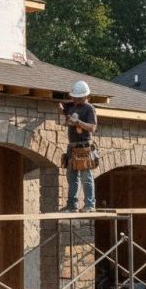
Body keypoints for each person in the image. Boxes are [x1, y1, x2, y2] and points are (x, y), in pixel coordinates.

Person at [58, 80, 97, 212]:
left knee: (86, 176)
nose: (74, 99)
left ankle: (90, 205)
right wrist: (62, 110)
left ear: (84, 97)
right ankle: (72, 205)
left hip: (84, 147)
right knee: (71, 177)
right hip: (72, 147)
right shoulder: (72, 106)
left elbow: (92, 127)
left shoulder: (89, 108)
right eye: (73, 97)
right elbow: (65, 111)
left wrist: (78, 122)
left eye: (77, 98)